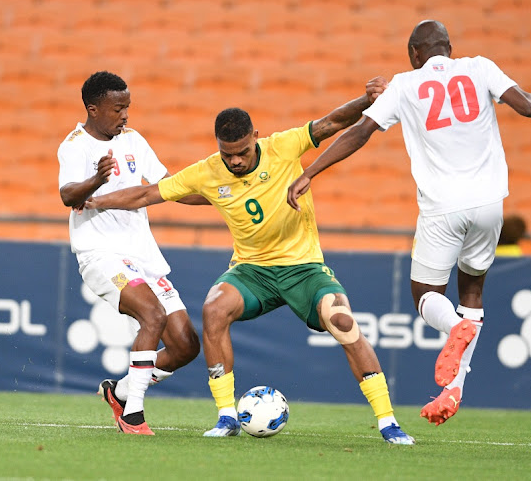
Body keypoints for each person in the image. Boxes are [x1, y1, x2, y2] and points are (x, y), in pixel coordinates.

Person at [83, 89, 415, 444]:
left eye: (243, 151)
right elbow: (148, 194)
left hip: (303, 267)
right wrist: (94, 200)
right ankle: (226, 417)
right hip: (251, 271)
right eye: (229, 154)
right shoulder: (207, 171)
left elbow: (332, 122)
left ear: (255, 137)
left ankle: (388, 422)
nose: (237, 160)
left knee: (344, 322)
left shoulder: (283, 146)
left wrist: (367, 100)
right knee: (213, 308)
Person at [287, 20, 531, 426]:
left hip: (443, 208)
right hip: (491, 205)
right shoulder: (479, 67)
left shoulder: (404, 85)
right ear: (449, 49)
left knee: (425, 295)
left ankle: (454, 329)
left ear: (414, 56)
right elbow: (528, 105)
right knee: (471, 290)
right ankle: (454, 388)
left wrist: (311, 171)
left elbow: (361, 132)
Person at [57, 71, 206, 435]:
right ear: (94, 109)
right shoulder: (74, 146)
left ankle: (121, 391)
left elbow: (167, 187)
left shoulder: (133, 140)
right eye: (117, 108)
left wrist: (218, 196)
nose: (125, 115)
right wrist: (96, 179)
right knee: (151, 316)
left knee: (186, 345)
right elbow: (68, 196)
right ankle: (132, 415)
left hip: (142, 255)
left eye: (127, 107)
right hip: (101, 254)